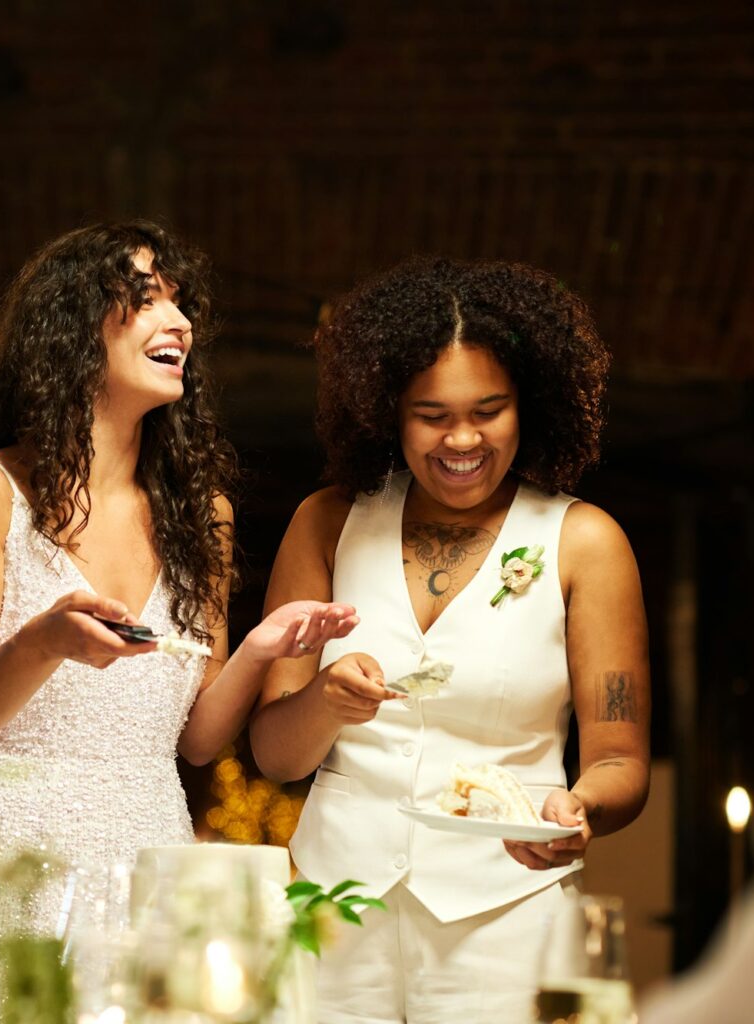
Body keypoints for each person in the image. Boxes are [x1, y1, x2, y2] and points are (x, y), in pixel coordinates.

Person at [0, 221, 357, 1023]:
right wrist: (46, 642)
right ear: (73, 328)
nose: (179, 324)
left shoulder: (201, 516)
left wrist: (257, 649)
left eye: (182, 306)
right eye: (147, 300)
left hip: (155, 853)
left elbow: (197, 740)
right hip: (16, 857)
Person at [250, 255, 651, 1024]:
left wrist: (580, 807)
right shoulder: (327, 522)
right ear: (386, 412)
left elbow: (618, 757)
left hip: (510, 920)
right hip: (332, 914)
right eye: (431, 415)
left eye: (488, 410)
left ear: (527, 407)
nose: (461, 438)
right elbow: (274, 755)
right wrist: (327, 704)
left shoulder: (585, 542)